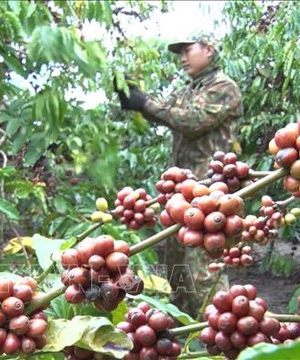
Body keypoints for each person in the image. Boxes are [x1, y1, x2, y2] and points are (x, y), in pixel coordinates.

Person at [115, 33, 244, 318]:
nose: (182, 58)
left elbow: (191, 121)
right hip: (183, 190)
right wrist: (135, 97)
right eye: (180, 53)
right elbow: (168, 111)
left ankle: (220, 328)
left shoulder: (223, 87)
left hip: (210, 189)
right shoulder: (190, 88)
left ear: (208, 50)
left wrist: (145, 103)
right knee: (176, 261)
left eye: (187, 50)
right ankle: (185, 330)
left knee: (203, 265)